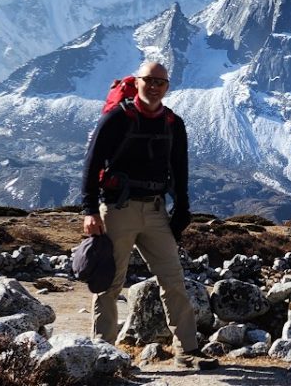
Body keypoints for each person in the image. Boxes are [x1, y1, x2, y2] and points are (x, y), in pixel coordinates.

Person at [81, 61, 218, 371]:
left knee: (173, 279)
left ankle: (187, 350)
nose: (154, 86)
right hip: (117, 210)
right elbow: (90, 164)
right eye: (149, 80)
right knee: (109, 285)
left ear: (167, 86)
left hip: (156, 211)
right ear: (137, 81)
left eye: (161, 81)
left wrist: (181, 209)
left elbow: (180, 170)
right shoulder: (117, 118)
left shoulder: (173, 123)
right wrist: (89, 210)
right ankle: (103, 355)